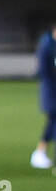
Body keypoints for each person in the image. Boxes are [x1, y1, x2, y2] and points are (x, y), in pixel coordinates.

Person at [31, 27, 55, 169]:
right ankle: (39, 152)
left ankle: (40, 152)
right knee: (53, 120)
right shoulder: (47, 44)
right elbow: (44, 70)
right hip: (51, 90)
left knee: (53, 121)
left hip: (52, 89)